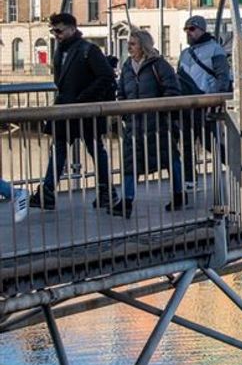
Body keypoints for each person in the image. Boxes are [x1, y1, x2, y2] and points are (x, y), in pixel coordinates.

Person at [35, 12, 118, 212]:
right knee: (60, 149)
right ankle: (47, 192)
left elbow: (106, 76)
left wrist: (84, 98)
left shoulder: (88, 49)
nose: (56, 35)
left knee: (95, 149)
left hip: (85, 110)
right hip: (66, 110)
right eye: (53, 31)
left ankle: (106, 191)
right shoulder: (60, 51)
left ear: (72, 29)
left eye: (59, 31)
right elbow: (60, 81)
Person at [117, 30, 185, 214]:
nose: (129, 47)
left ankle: (179, 193)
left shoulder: (159, 65)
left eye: (133, 44)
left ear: (143, 46)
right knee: (130, 162)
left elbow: (172, 89)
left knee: (170, 157)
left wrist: (161, 110)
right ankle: (126, 200)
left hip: (158, 123)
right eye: (128, 43)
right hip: (134, 124)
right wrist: (125, 114)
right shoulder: (127, 67)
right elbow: (121, 92)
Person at [176, 15, 233, 185]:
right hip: (187, 105)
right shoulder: (185, 53)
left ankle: (234, 165)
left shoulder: (215, 50)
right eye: (186, 29)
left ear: (202, 30)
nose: (188, 33)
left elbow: (223, 77)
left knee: (210, 141)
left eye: (192, 29)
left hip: (206, 103)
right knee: (186, 142)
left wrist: (217, 100)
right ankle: (189, 179)